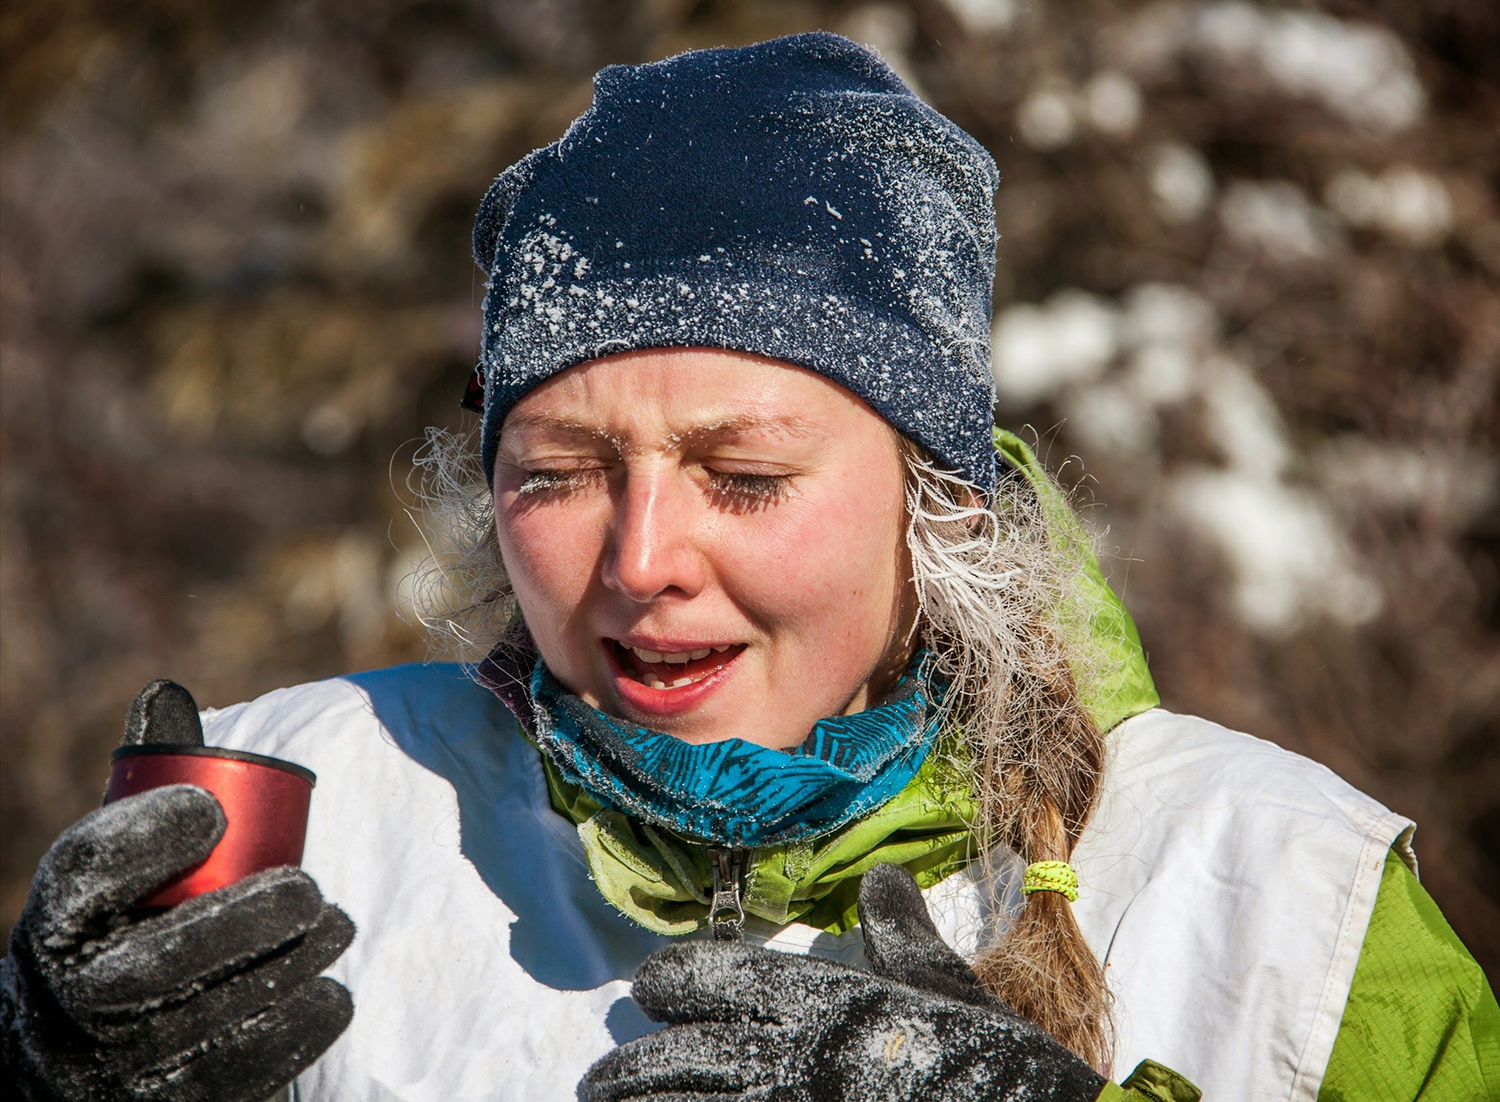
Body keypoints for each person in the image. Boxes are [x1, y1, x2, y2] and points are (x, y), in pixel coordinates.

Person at [3, 32, 1495, 1102]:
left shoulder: (1280, 905)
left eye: (746, 476)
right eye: (561, 475)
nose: (643, 560)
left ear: (940, 503)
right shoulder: (300, 815)